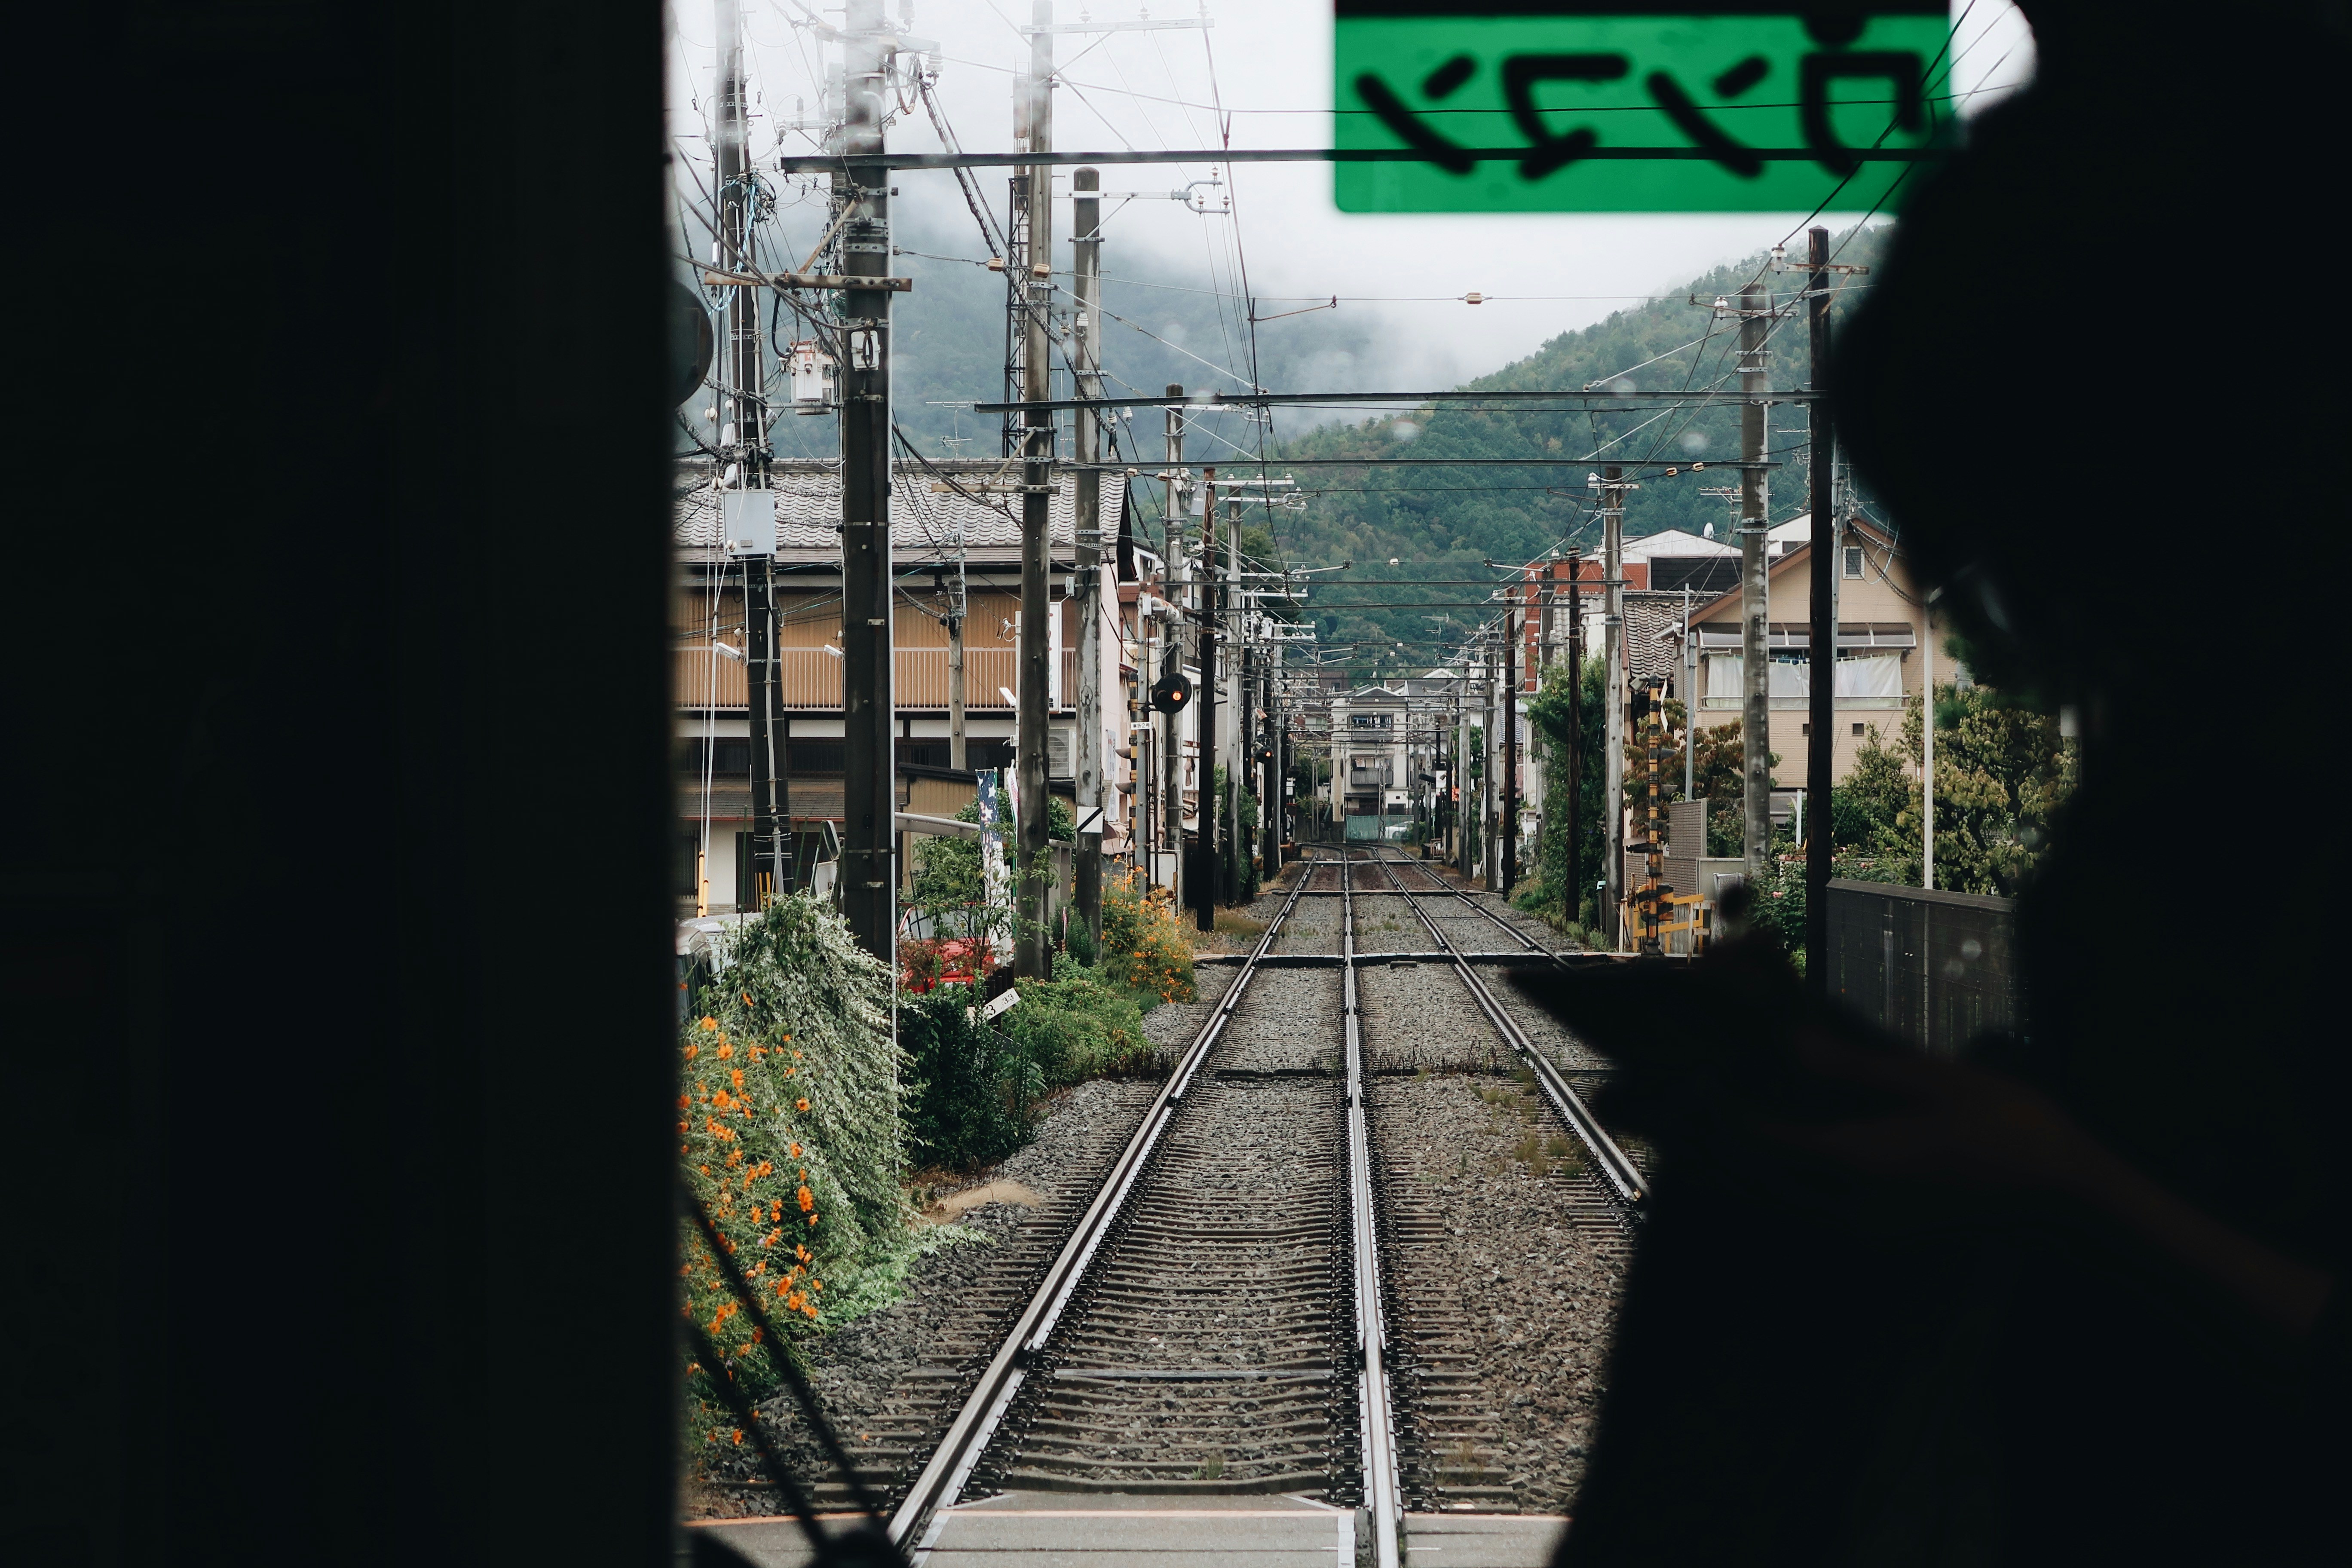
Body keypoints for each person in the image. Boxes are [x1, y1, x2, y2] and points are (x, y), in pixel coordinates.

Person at [1535, 4, 2352, 1562]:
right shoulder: (2195, 779)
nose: (2016, 628)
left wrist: (2051, 1179)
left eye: (2036, 567)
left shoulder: (2258, 806)